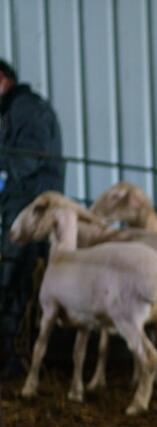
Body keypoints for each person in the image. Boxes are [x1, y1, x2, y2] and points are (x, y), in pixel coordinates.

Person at [0, 59, 64, 380]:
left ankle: (13, 357)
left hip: (29, 212)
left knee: (14, 276)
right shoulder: (14, 111)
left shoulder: (29, 110)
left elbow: (29, 159)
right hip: (17, 207)